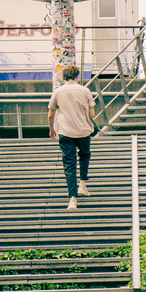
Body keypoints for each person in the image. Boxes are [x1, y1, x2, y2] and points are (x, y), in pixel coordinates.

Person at [48, 65, 95, 210]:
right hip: (83, 131)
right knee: (84, 155)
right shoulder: (85, 91)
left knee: (69, 165)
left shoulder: (58, 91)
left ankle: (72, 199)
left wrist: (52, 130)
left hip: (65, 132)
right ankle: (82, 184)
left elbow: (51, 114)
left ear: (63, 77)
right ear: (77, 76)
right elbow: (92, 115)